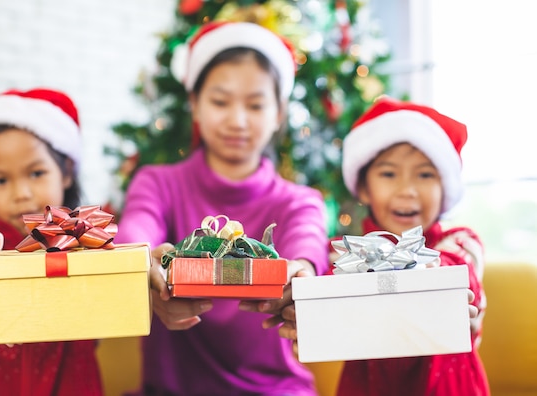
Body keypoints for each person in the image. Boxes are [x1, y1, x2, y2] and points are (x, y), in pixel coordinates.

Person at [114, 21, 329, 396]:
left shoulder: (299, 201)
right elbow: (138, 227)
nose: (237, 120)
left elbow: (308, 245)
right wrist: (142, 261)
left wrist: (302, 271)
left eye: (256, 104)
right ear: (194, 104)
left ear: (279, 112)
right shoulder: (157, 183)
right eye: (220, 101)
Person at [282, 97, 490, 395]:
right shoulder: (341, 254)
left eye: (425, 175)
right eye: (389, 174)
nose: (407, 190)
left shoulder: (459, 243)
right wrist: (308, 309)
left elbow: (459, 272)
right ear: (364, 187)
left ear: (445, 188)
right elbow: (321, 296)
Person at [0, 88, 103, 395]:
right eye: (0, 180)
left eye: (36, 173)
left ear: (66, 172)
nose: (21, 193)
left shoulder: (85, 245)